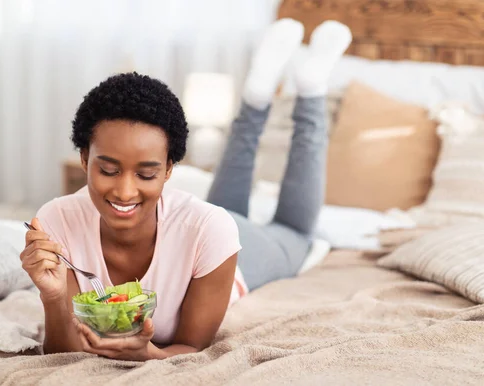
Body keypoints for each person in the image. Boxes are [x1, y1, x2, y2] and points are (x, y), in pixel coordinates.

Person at [19, 19, 352, 361]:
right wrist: (53, 296)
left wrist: (145, 353)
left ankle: (311, 90)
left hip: (240, 253)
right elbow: (63, 351)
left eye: (146, 174)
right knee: (220, 210)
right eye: (108, 170)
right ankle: (257, 92)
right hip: (204, 228)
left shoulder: (210, 228)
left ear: (168, 171)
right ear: (85, 158)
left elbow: (191, 348)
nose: (124, 191)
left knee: (296, 230)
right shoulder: (56, 222)